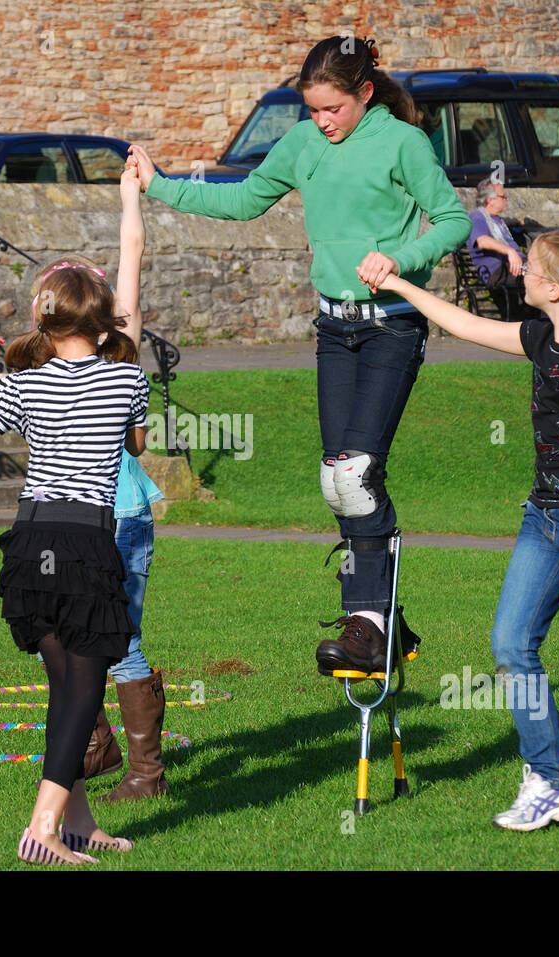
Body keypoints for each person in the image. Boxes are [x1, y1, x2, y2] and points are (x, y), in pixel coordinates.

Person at [128, 36, 471, 676]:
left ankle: (367, 621)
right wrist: (160, 186)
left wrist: (403, 258)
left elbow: (453, 220)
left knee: (357, 473)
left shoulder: (402, 142)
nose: (322, 122)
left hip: (393, 326)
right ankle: (383, 622)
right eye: (312, 110)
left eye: (332, 109)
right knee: (336, 480)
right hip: (333, 330)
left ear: (365, 93)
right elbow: (242, 200)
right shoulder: (304, 144)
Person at [370, 227, 559, 835]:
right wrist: (398, 284)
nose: (518, 271)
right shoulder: (542, 337)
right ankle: (551, 780)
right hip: (542, 518)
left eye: (529, 268)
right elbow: (467, 326)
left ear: (552, 287)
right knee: (510, 644)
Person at [0, 170, 150, 866]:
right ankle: (41, 827)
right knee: (85, 689)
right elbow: (135, 442)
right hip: (87, 542)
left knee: (68, 694)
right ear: (104, 318)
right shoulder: (128, 378)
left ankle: (80, 822)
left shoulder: (23, 385)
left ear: (45, 320)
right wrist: (130, 204)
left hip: (31, 542)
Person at [24, 247, 170, 804]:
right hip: (64, 526)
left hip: (119, 516)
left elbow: (131, 255)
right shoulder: (49, 367)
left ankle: (145, 773)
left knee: (119, 639)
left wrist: (134, 196)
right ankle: (94, 740)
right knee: (53, 638)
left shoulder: (118, 363)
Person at [466, 177, 532, 321]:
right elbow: (482, 241)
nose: (506, 199)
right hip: (498, 272)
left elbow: (509, 222)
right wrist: (510, 251)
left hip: (512, 267)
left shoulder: (496, 219)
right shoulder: (477, 216)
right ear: (490, 200)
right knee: (541, 278)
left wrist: (520, 222)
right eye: (503, 196)